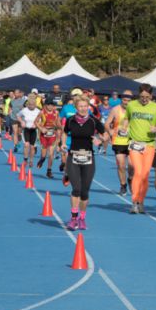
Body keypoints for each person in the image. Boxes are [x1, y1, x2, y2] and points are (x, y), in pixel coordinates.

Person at [63, 96, 105, 229]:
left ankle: (82, 218)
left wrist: (99, 140)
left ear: (88, 107)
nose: (83, 108)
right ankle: (73, 218)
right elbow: (64, 132)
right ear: (76, 107)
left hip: (88, 157)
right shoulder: (70, 120)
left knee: (85, 191)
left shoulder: (93, 121)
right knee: (76, 188)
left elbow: (106, 134)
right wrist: (63, 143)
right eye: (80, 106)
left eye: (85, 106)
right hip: (73, 156)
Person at [125, 84, 156, 214]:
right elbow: (126, 119)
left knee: (145, 175)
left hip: (149, 145)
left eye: (147, 97)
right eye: (142, 97)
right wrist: (123, 127)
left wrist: (155, 129)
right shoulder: (131, 105)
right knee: (138, 171)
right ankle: (134, 201)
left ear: (151, 96)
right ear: (138, 95)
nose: (144, 99)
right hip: (135, 143)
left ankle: (141, 201)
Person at [107, 94, 133, 195]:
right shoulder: (115, 109)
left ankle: (130, 179)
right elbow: (107, 123)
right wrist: (110, 132)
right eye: (124, 100)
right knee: (121, 165)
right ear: (121, 100)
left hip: (132, 140)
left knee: (132, 165)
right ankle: (123, 185)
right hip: (118, 141)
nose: (126, 102)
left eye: (128, 100)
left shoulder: (134, 110)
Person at [37, 98, 62, 178]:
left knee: (51, 154)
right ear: (46, 105)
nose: (50, 107)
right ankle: (42, 159)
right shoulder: (42, 113)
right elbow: (36, 122)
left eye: (52, 105)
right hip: (43, 135)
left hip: (52, 135)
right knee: (44, 155)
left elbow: (58, 124)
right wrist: (41, 128)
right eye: (49, 105)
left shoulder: (56, 113)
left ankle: (49, 171)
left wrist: (60, 127)